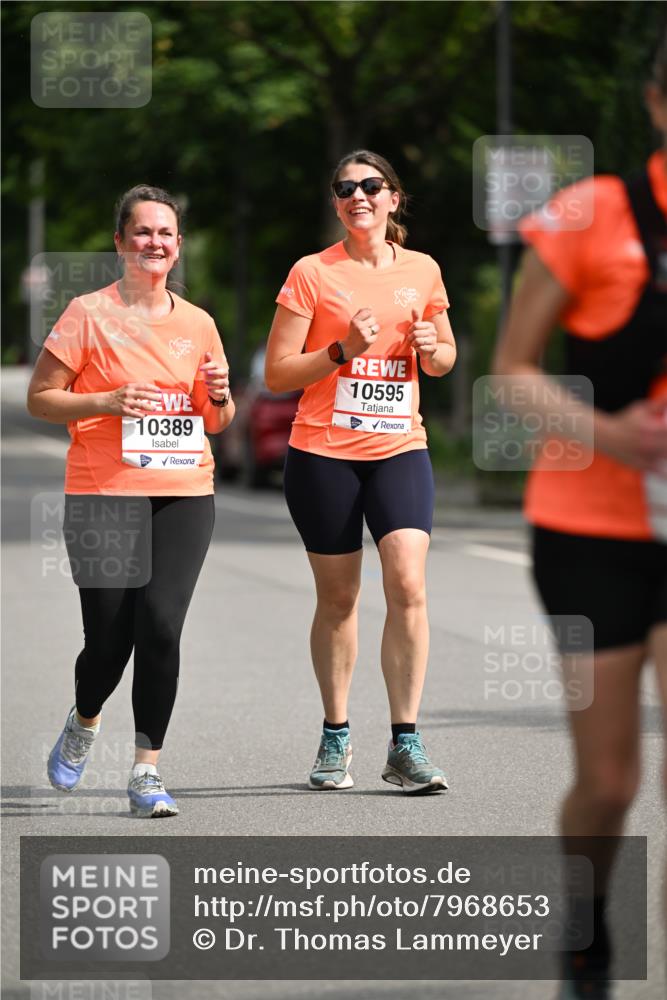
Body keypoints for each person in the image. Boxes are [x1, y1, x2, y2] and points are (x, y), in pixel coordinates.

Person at [493, 35, 667, 1000]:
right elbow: (511, 372)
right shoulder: (591, 215)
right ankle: (584, 921)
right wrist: (610, 434)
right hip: (590, 530)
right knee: (608, 785)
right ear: (655, 106)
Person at [27, 184, 234, 817]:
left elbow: (217, 421)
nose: (155, 243)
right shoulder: (88, 314)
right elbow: (40, 397)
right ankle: (85, 718)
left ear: (177, 247)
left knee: (163, 625)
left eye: (166, 233)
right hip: (102, 493)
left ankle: (147, 770)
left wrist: (221, 398)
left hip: (182, 492)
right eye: (142, 232)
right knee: (110, 642)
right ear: (120, 243)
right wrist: (104, 401)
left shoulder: (197, 322)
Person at [265, 150, 456, 793]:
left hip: (400, 446)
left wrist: (435, 351)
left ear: (393, 198)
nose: (359, 196)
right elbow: (277, 373)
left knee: (407, 582)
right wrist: (342, 348)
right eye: (346, 188)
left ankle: (405, 742)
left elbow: (444, 355)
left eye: (371, 186)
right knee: (340, 598)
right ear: (336, 203)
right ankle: (336, 733)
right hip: (324, 454)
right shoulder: (312, 273)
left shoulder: (423, 271)